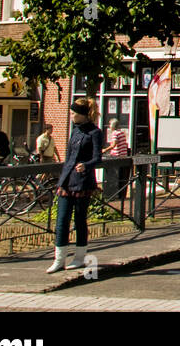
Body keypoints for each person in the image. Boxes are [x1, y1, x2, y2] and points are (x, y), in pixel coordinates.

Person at [47, 98, 102, 274]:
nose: (71, 116)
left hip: (82, 181)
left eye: (73, 113)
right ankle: (59, 259)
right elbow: (69, 155)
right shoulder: (74, 131)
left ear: (82, 114)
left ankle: (79, 258)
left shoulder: (94, 133)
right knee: (62, 220)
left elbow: (97, 157)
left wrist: (86, 165)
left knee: (79, 219)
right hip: (67, 179)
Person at [102, 118, 129, 204]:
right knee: (122, 177)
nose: (109, 126)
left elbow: (113, 145)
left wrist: (105, 150)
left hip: (116, 156)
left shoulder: (115, 133)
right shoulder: (122, 133)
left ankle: (111, 194)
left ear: (113, 126)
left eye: (110, 125)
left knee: (114, 176)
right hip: (123, 156)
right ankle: (120, 195)